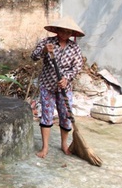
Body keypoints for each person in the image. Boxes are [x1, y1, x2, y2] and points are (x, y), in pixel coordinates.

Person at [31, 15, 85, 158]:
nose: (64, 34)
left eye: (68, 32)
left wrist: (66, 79)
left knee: (66, 116)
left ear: (71, 34)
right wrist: (43, 51)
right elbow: (34, 56)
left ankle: (64, 144)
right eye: (62, 31)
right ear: (57, 30)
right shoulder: (47, 42)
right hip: (47, 85)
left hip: (64, 88)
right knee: (46, 116)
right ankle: (45, 147)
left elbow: (77, 66)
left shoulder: (74, 48)